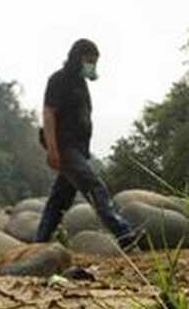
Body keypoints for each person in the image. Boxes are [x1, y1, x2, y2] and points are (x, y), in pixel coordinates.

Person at [35, 39, 138, 247]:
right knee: (94, 185)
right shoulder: (59, 80)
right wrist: (53, 149)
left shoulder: (80, 84)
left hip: (78, 149)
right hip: (65, 146)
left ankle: (40, 242)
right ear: (78, 58)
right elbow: (49, 113)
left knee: (60, 199)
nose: (92, 66)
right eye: (90, 61)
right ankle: (122, 232)